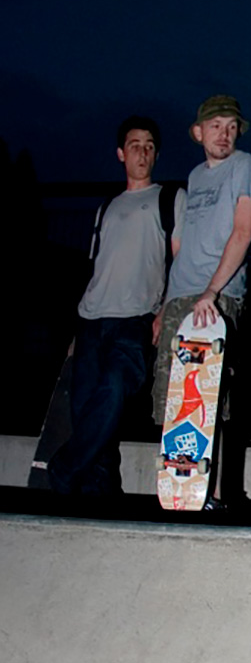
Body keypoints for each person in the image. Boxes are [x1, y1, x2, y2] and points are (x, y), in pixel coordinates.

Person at [48, 116, 184, 496]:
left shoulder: (169, 198)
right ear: (121, 154)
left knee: (114, 388)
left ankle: (63, 469)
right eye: (135, 145)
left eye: (150, 146)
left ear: (156, 155)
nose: (143, 151)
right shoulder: (106, 207)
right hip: (91, 320)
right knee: (87, 409)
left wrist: (165, 311)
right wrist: (77, 330)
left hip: (135, 320)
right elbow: (96, 267)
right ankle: (101, 494)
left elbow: (182, 260)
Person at [152, 94, 251, 510]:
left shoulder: (245, 167)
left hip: (215, 298)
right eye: (216, 126)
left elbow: (242, 233)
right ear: (198, 132)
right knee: (174, 397)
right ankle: (178, 485)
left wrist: (212, 293)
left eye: (232, 127)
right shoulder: (194, 178)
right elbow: (181, 251)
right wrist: (165, 305)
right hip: (181, 297)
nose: (225, 134)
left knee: (208, 395)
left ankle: (213, 493)